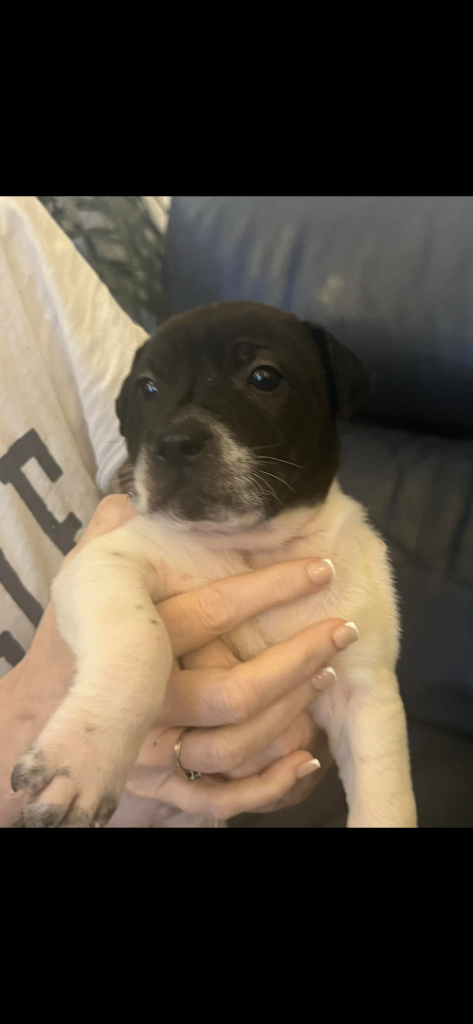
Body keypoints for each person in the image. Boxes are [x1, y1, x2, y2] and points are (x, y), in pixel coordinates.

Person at [0, 197, 353, 827]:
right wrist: (40, 717)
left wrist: (302, 708)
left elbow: (140, 463)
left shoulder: (14, 232)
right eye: (153, 393)